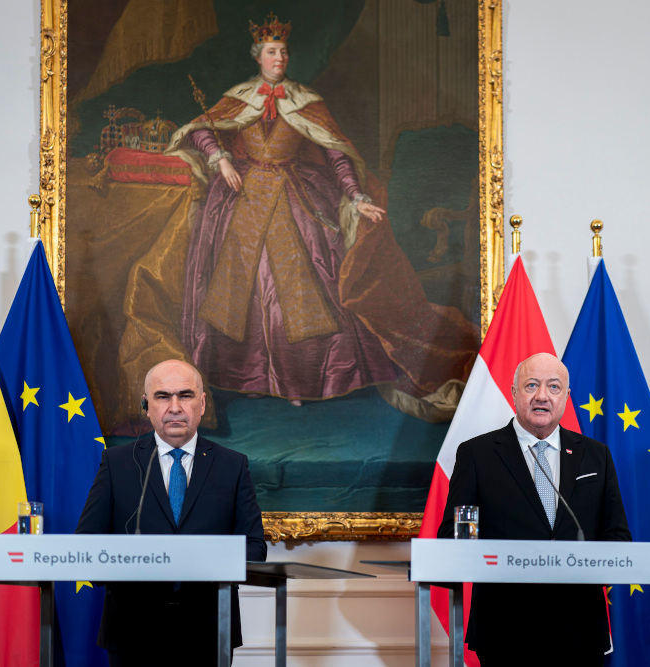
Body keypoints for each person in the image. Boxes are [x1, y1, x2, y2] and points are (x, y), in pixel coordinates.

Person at [166, 13, 479, 409]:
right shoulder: (239, 97)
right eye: (271, 52)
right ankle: (244, 376)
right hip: (242, 199)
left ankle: (301, 381)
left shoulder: (306, 102)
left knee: (299, 287)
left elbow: (338, 154)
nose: (278, 58)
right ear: (258, 57)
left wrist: (357, 196)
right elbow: (200, 129)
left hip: (294, 198)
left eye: (283, 52)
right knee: (239, 287)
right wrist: (220, 159)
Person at [438, 353, 631, 666]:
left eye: (554, 387)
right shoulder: (477, 454)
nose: (542, 395)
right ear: (514, 393)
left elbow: (618, 536)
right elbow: (454, 535)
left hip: (579, 628)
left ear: (566, 398)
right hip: (505, 630)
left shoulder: (596, 456)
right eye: (531, 385)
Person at [76, 359, 267, 665]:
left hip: (209, 630)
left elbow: (255, 549)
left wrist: (197, 558)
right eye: (163, 396)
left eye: (186, 395)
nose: (175, 407)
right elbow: (87, 545)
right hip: (132, 631)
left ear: (202, 404)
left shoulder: (232, 465)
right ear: (146, 405)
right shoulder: (117, 464)